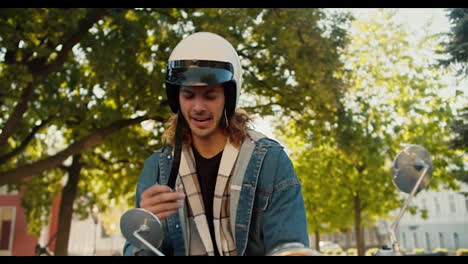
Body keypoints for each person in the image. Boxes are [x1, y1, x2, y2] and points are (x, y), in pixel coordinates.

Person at [123, 32, 309, 256]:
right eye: (189, 95)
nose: (198, 107)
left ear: (228, 98)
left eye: (210, 96)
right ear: (175, 98)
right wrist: (146, 227)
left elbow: (290, 247)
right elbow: (136, 250)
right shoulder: (156, 169)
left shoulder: (271, 161)